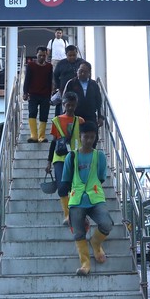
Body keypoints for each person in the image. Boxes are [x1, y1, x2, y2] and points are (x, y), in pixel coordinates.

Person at [57, 122, 113, 276]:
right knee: (78, 232)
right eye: (86, 137)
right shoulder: (71, 156)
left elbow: (101, 177)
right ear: (80, 137)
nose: (89, 140)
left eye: (92, 137)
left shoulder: (99, 156)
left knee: (107, 224)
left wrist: (92, 189)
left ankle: (95, 242)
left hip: (95, 197)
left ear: (95, 138)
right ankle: (85, 263)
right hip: (76, 199)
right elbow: (66, 180)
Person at [46, 91, 84, 225]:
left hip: (76, 157)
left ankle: (76, 213)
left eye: (73, 105)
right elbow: (53, 142)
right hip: (59, 158)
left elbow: (84, 140)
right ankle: (67, 215)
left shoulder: (80, 121)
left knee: (75, 186)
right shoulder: (56, 121)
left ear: (76, 105)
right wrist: (49, 162)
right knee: (62, 187)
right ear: (63, 104)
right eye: (68, 105)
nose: (70, 108)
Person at [22, 46, 53, 143]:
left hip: (45, 94)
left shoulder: (49, 66)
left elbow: (50, 81)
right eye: (40, 55)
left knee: (44, 115)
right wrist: (25, 92)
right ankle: (34, 135)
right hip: (33, 94)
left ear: (46, 55)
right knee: (32, 112)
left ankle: (41, 136)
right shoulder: (31, 65)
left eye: (44, 55)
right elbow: (27, 79)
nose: (42, 57)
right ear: (36, 55)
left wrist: (50, 94)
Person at [63, 61, 104, 130]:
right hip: (75, 115)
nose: (82, 73)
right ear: (77, 71)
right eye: (81, 71)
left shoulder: (94, 84)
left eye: (85, 72)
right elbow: (65, 99)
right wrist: (65, 113)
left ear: (89, 73)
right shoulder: (71, 83)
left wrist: (100, 116)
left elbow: (98, 101)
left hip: (90, 116)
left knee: (91, 135)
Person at [52, 45, 84, 116]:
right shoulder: (61, 64)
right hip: (64, 92)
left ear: (77, 53)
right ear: (66, 54)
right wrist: (58, 87)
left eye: (74, 55)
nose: (72, 57)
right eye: (70, 55)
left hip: (79, 92)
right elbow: (55, 75)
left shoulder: (82, 63)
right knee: (62, 111)